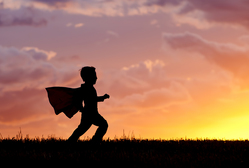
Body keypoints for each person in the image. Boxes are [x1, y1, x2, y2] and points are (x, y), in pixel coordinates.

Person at [67, 66, 109, 143]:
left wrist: (102, 98)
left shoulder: (88, 88)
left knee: (82, 129)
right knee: (103, 125)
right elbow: (91, 99)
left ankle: (70, 141)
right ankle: (95, 141)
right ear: (88, 77)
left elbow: (91, 99)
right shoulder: (87, 88)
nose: (96, 78)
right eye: (94, 76)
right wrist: (102, 97)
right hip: (90, 113)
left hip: (89, 113)